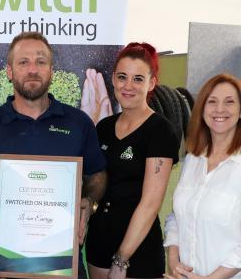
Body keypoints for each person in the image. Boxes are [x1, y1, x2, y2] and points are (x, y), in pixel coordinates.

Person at [0, 31, 107, 279]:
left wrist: (89, 203)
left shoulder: (79, 123)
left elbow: (97, 175)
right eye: (23, 62)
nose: (32, 69)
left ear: (51, 71)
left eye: (41, 62)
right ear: (10, 71)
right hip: (3, 265)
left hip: (63, 265)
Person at [85, 42, 180, 279]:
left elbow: (150, 203)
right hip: (99, 241)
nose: (128, 86)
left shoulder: (160, 130)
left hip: (138, 248)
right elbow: (96, 182)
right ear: (114, 80)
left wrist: (121, 259)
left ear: (152, 83)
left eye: (138, 79)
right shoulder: (104, 127)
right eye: (122, 77)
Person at [164, 74, 241, 279]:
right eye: (212, 101)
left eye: (229, 102)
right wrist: (174, 261)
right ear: (202, 109)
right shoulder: (193, 159)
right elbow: (176, 217)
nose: (219, 110)